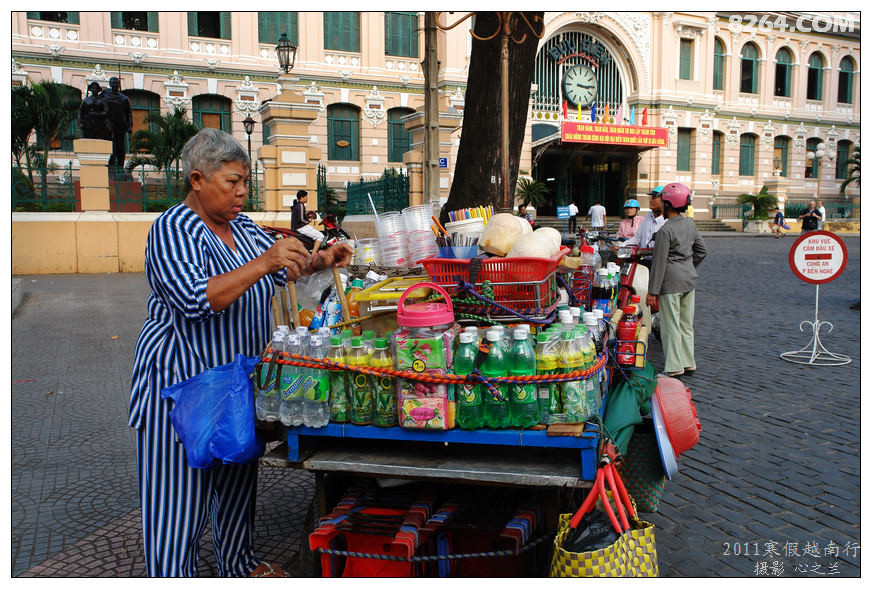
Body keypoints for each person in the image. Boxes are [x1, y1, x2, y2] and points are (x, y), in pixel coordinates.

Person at [129, 128, 352, 577]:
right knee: (179, 502)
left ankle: (237, 568)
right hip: (182, 389)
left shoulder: (243, 228)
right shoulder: (172, 229)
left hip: (235, 385)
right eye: (232, 182)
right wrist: (264, 263)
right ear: (197, 179)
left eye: (245, 182)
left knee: (235, 484)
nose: (242, 192)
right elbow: (196, 299)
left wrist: (322, 259)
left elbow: (281, 270)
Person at [646, 182, 707, 378]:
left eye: (662, 202)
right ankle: (689, 362)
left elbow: (659, 263)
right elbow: (701, 251)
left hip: (670, 283)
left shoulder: (665, 231)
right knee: (686, 324)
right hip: (689, 280)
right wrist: (687, 266)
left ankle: (674, 367)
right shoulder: (690, 224)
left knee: (670, 325)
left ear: (668, 204)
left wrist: (652, 291)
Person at [101, 77, 132, 173]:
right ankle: (110, 164)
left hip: (120, 124)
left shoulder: (124, 98)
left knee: (120, 146)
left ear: (119, 85)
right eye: (113, 83)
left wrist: (130, 126)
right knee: (110, 145)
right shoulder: (105, 95)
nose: (114, 85)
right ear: (110, 84)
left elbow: (129, 114)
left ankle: (120, 165)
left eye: (116, 83)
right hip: (109, 124)